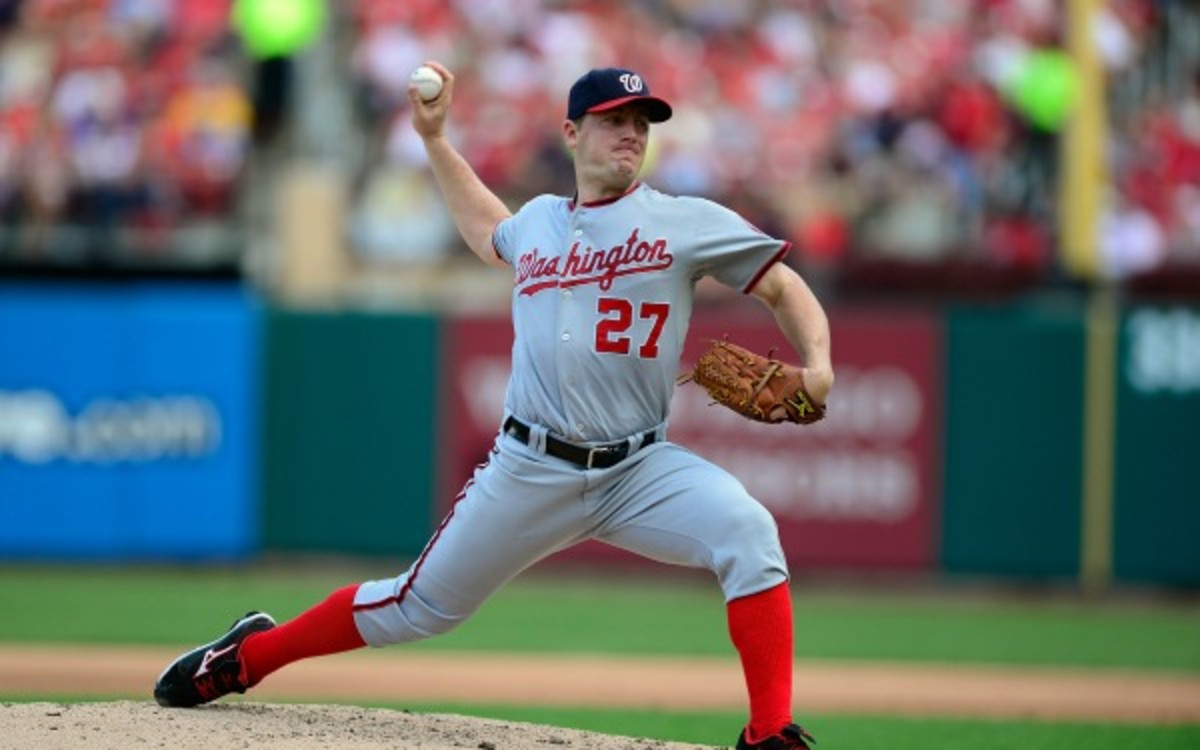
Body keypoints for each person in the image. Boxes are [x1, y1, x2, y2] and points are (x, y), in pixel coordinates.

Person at [154, 62, 834, 750]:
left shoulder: (683, 222)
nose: (631, 134)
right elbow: (489, 229)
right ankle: (245, 658)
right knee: (414, 609)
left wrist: (820, 364)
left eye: (640, 123)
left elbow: (782, 286)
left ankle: (769, 732)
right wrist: (435, 139)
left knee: (748, 532)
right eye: (613, 120)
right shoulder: (537, 222)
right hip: (531, 467)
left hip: (640, 468)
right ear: (572, 132)